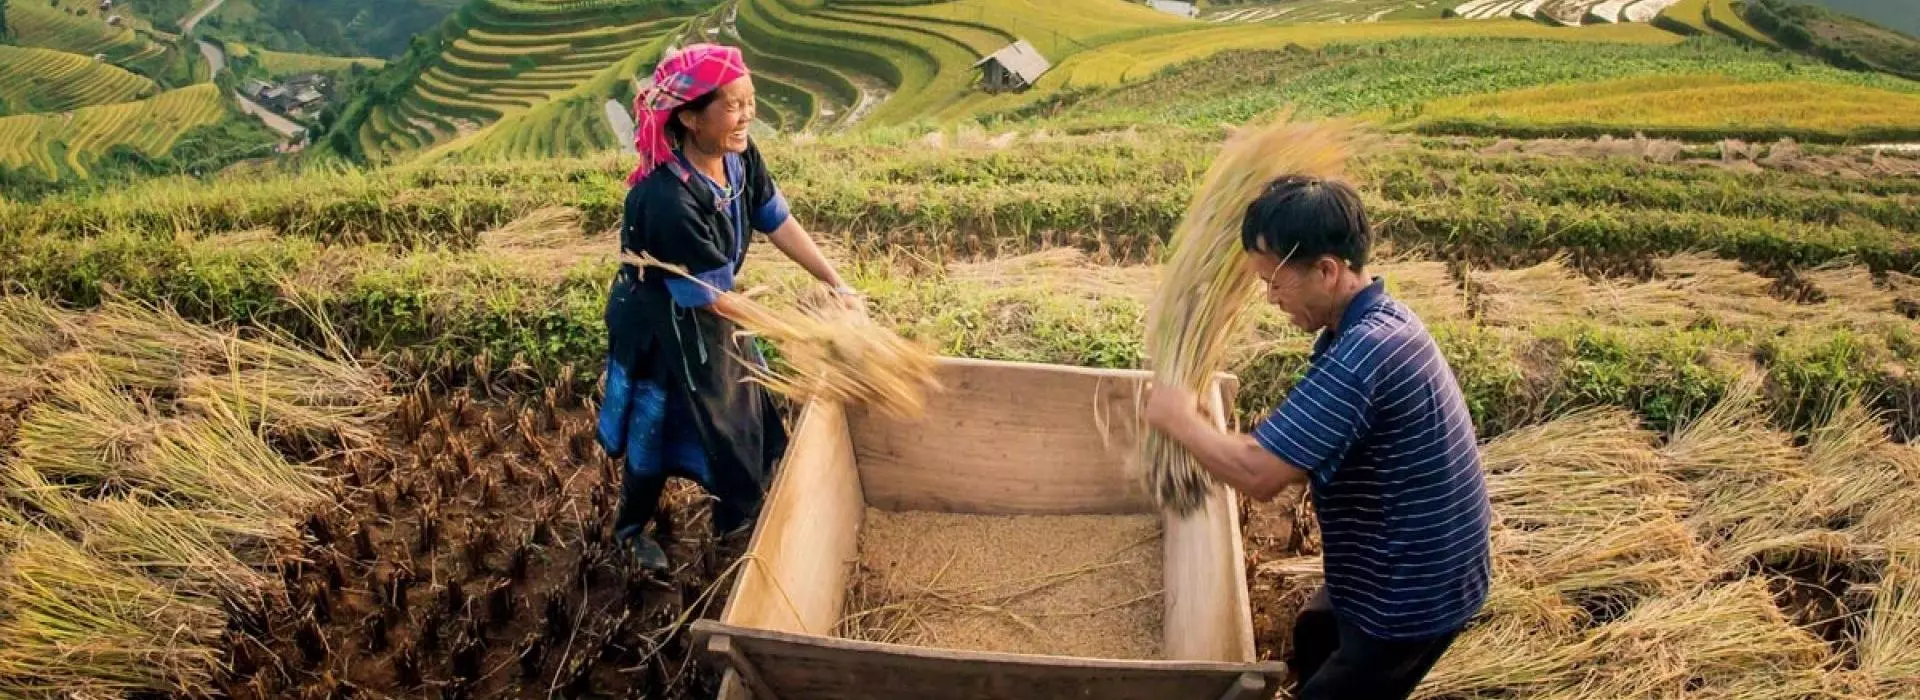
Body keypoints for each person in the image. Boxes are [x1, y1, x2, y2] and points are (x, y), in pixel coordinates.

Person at [1142, 176, 1491, 700]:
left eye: (1275, 282)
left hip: (1412, 593)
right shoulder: (1372, 322)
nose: (1270, 298)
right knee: (1313, 633)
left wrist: (1178, 418)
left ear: (1327, 271)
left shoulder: (1364, 354)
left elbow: (1260, 474)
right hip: (1390, 560)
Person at [597, 44, 858, 576]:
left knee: (743, 413)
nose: (747, 116)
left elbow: (776, 219)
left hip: (711, 313)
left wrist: (834, 281)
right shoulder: (669, 200)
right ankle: (628, 532)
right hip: (661, 327)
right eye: (733, 106)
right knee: (659, 429)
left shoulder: (739, 157)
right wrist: (801, 331)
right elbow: (708, 296)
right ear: (691, 118)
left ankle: (733, 514)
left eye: (750, 102)